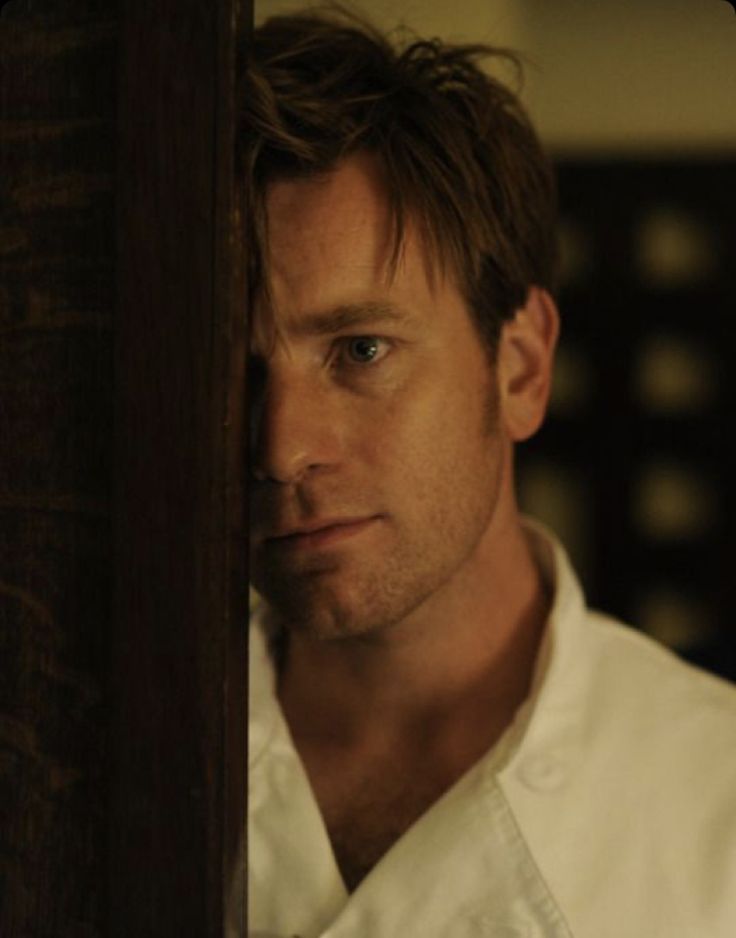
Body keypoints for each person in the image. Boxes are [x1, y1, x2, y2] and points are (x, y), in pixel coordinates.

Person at [245, 9, 736, 937]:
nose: (280, 448)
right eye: (235, 373)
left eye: (360, 349)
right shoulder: (80, 761)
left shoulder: (718, 809)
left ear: (519, 368)